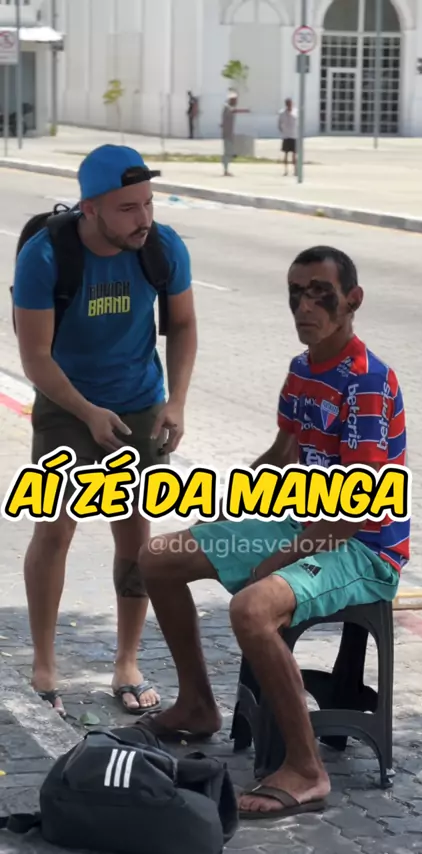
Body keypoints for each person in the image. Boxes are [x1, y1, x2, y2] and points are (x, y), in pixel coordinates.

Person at [136, 244, 409, 819]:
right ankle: (197, 705)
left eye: (320, 294)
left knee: (252, 608)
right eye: (296, 293)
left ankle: (306, 769)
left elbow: (356, 511)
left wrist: (277, 559)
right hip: (303, 518)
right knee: (158, 558)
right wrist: (230, 505)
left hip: (363, 545)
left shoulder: (367, 382)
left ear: (353, 300)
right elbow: (285, 452)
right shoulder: (303, 369)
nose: (304, 306)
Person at [12, 144, 198, 718]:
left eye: (148, 203)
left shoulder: (162, 247)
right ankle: (45, 665)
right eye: (128, 208)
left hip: (140, 404)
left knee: (135, 538)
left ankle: (127, 663)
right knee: (55, 530)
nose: (144, 218)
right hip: (67, 404)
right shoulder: (46, 256)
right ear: (90, 209)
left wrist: (176, 401)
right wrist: (88, 411)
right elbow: (35, 357)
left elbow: (183, 325)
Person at [278, 98, 297, 176]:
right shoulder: (282, 113)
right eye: (288, 103)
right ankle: (286, 171)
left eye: (290, 103)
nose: (289, 105)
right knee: (285, 154)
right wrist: (283, 131)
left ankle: (295, 171)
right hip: (286, 136)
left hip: (294, 135)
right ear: (286, 104)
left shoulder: (295, 112)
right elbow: (279, 124)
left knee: (294, 154)